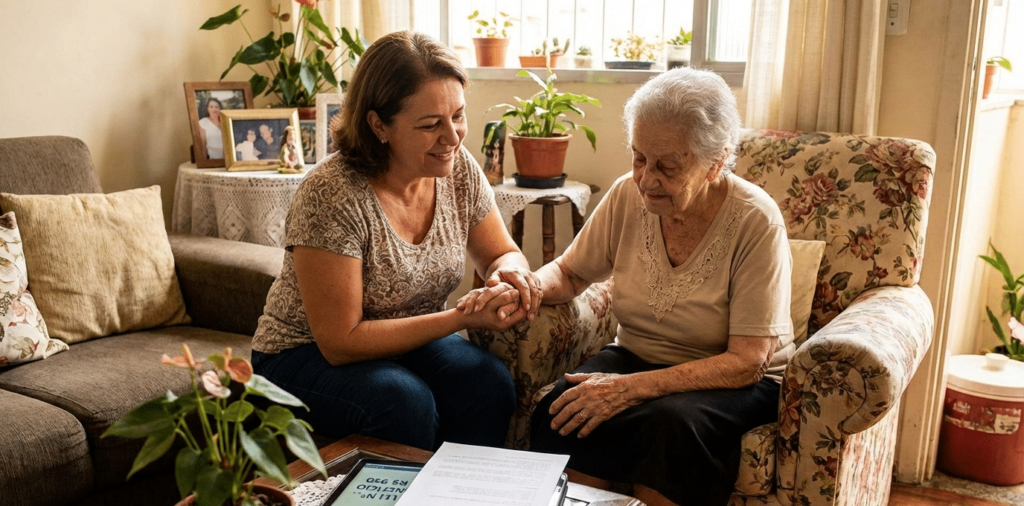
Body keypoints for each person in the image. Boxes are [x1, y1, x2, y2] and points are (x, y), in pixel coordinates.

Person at [250, 31, 542, 452]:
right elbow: (341, 342)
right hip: (302, 353)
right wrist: (462, 317)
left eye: (458, 116)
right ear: (378, 125)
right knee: (404, 403)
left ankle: (463, 488)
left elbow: (500, 253)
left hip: (408, 340)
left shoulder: (458, 168)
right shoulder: (332, 193)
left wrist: (508, 276)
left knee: (487, 383)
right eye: (431, 125)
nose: (453, 137)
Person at [527, 68, 793, 506]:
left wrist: (630, 389)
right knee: (566, 408)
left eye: (667, 166)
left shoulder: (755, 220)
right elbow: (571, 273)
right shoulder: (626, 196)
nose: (647, 179)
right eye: (639, 158)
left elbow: (748, 361)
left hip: (733, 379)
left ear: (717, 162)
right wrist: (527, 286)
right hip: (638, 355)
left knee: (670, 425)